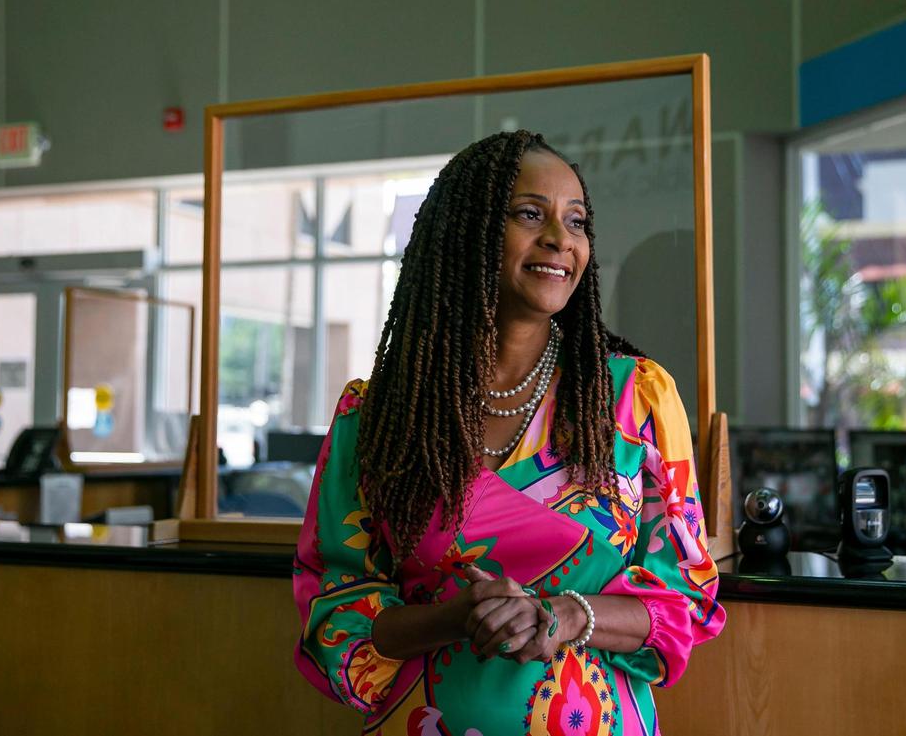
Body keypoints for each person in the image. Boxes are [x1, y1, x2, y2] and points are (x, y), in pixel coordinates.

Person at [293, 130, 725, 735]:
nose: (559, 238)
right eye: (529, 213)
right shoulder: (378, 418)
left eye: (576, 222)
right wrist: (456, 616)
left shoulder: (633, 399)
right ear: (465, 234)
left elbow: (685, 602)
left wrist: (569, 616)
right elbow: (337, 612)